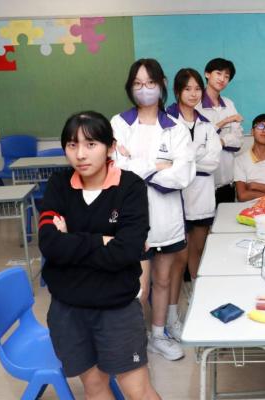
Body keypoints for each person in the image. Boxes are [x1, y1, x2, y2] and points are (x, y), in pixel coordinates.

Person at [39, 111, 160, 399]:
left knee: (138, 390)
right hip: (68, 310)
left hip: (116, 308)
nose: (80, 154)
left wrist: (71, 240)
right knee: (94, 387)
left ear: (110, 147)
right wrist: (103, 240)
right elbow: (49, 244)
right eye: (72, 145)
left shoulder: (130, 187)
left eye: (91, 144)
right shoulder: (59, 184)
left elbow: (127, 250)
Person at [111, 58, 195, 361]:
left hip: (166, 217)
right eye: (137, 84)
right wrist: (157, 166)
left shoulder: (176, 128)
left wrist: (134, 164)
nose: (144, 89)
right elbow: (115, 168)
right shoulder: (119, 124)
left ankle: (158, 335)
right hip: (129, 219)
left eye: (150, 83)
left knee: (162, 280)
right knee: (137, 286)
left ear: (161, 85)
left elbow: (182, 175)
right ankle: (134, 339)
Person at [166, 68, 222, 339]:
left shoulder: (207, 124)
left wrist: (185, 161)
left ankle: (198, 301)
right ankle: (172, 316)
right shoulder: (166, 121)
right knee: (179, 258)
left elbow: (213, 162)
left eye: (197, 88)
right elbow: (165, 162)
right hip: (173, 198)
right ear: (178, 91)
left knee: (198, 251)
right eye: (187, 89)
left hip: (201, 197)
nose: (193, 93)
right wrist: (193, 157)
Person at [196, 57, 244, 204]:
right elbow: (198, 142)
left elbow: (238, 140)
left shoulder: (229, 104)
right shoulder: (195, 104)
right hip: (202, 182)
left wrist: (220, 141)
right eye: (218, 73)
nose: (222, 79)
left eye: (227, 76)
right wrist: (225, 126)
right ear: (207, 74)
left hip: (227, 182)